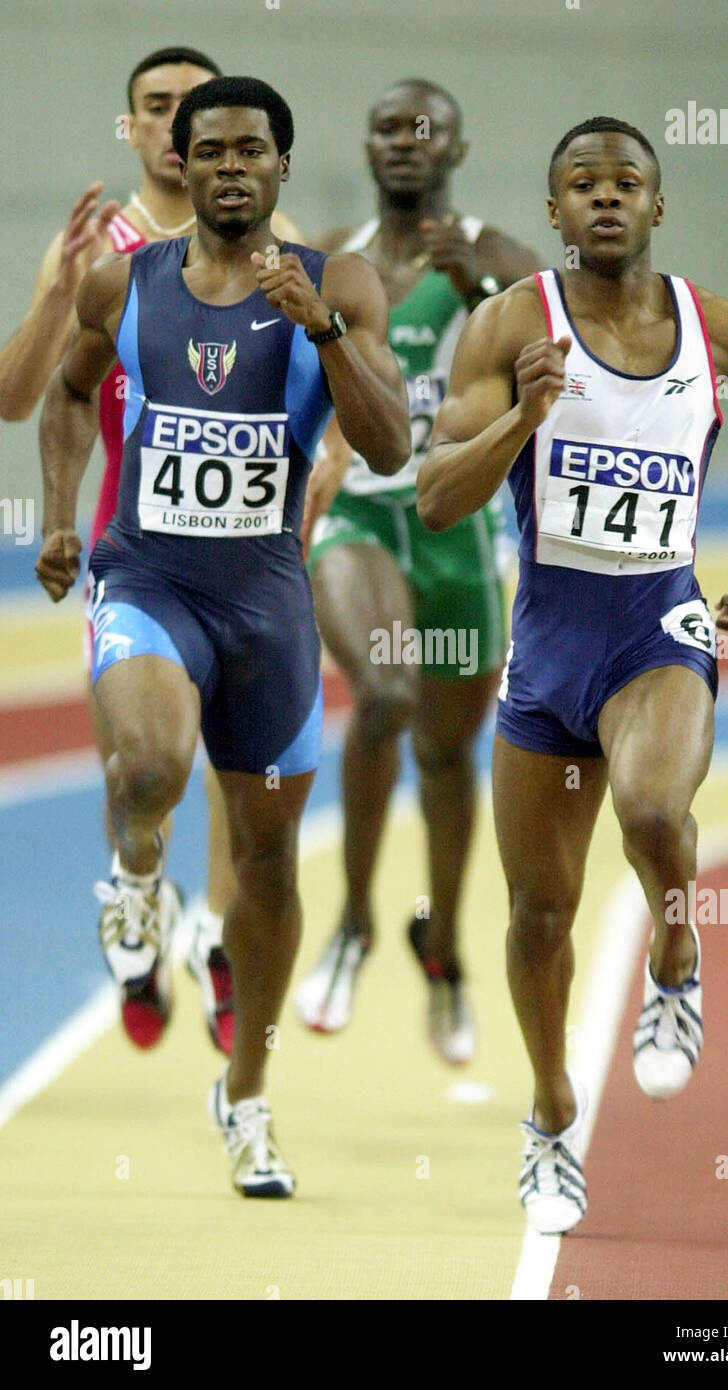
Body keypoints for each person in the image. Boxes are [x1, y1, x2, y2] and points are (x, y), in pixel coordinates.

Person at [417, 116, 728, 1231]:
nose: (603, 198)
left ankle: (674, 956)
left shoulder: (720, 329)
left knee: (648, 804)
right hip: (545, 650)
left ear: (655, 204)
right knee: (539, 913)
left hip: (658, 626)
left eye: (624, 182)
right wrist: (523, 422)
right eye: (580, 184)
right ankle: (549, 1123)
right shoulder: (508, 328)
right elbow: (437, 496)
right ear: (551, 212)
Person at [35, 75, 410, 1197]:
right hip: (150, 578)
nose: (232, 165)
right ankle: (136, 873)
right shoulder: (124, 280)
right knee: (146, 766)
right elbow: (63, 393)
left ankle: (243, 1095)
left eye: (253, 149)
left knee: (264, 867)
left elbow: (387, 446)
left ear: (283, 168)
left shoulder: (336, 281)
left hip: (267, 610)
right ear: (183, 167)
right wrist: (60, 516)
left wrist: (328, 333)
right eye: (212, 150)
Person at [0, 46, 300, 1052]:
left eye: (197, 111)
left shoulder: (276, 244)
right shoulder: (100, 251)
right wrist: (53, 296)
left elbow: (330, 398)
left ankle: (214, 940)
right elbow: (22, 396)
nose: (180, 131)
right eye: (159, 110)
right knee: (145, 765)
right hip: (135, 547)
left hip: (251, 554)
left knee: (231, 764)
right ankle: (137, 902)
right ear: (133, 130)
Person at [279, 78, 541, 1063]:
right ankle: (350, 920)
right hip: (356, 517)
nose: (402, 142)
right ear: (366, 141)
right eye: (386, 126)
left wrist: (478, 290)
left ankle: (443, 949)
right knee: (382, 694)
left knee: (442, 757)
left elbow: (556, 381)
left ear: (456, 150)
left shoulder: (499, 259)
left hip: (457, 533)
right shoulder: (332, 255)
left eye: (423, 128)